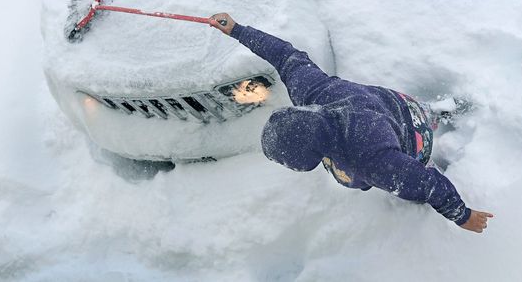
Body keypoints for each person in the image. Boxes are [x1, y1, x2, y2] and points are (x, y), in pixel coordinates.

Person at [209, 13, 494, 233]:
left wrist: (462, 215)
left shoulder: (370, 161)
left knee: (412, 178)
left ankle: (429, 141)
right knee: (416, 118)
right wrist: (236, 29)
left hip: (413, 141)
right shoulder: (312, 92)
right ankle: (436, 111)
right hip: (399, 105)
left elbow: (428, 184)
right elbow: (284, 55)